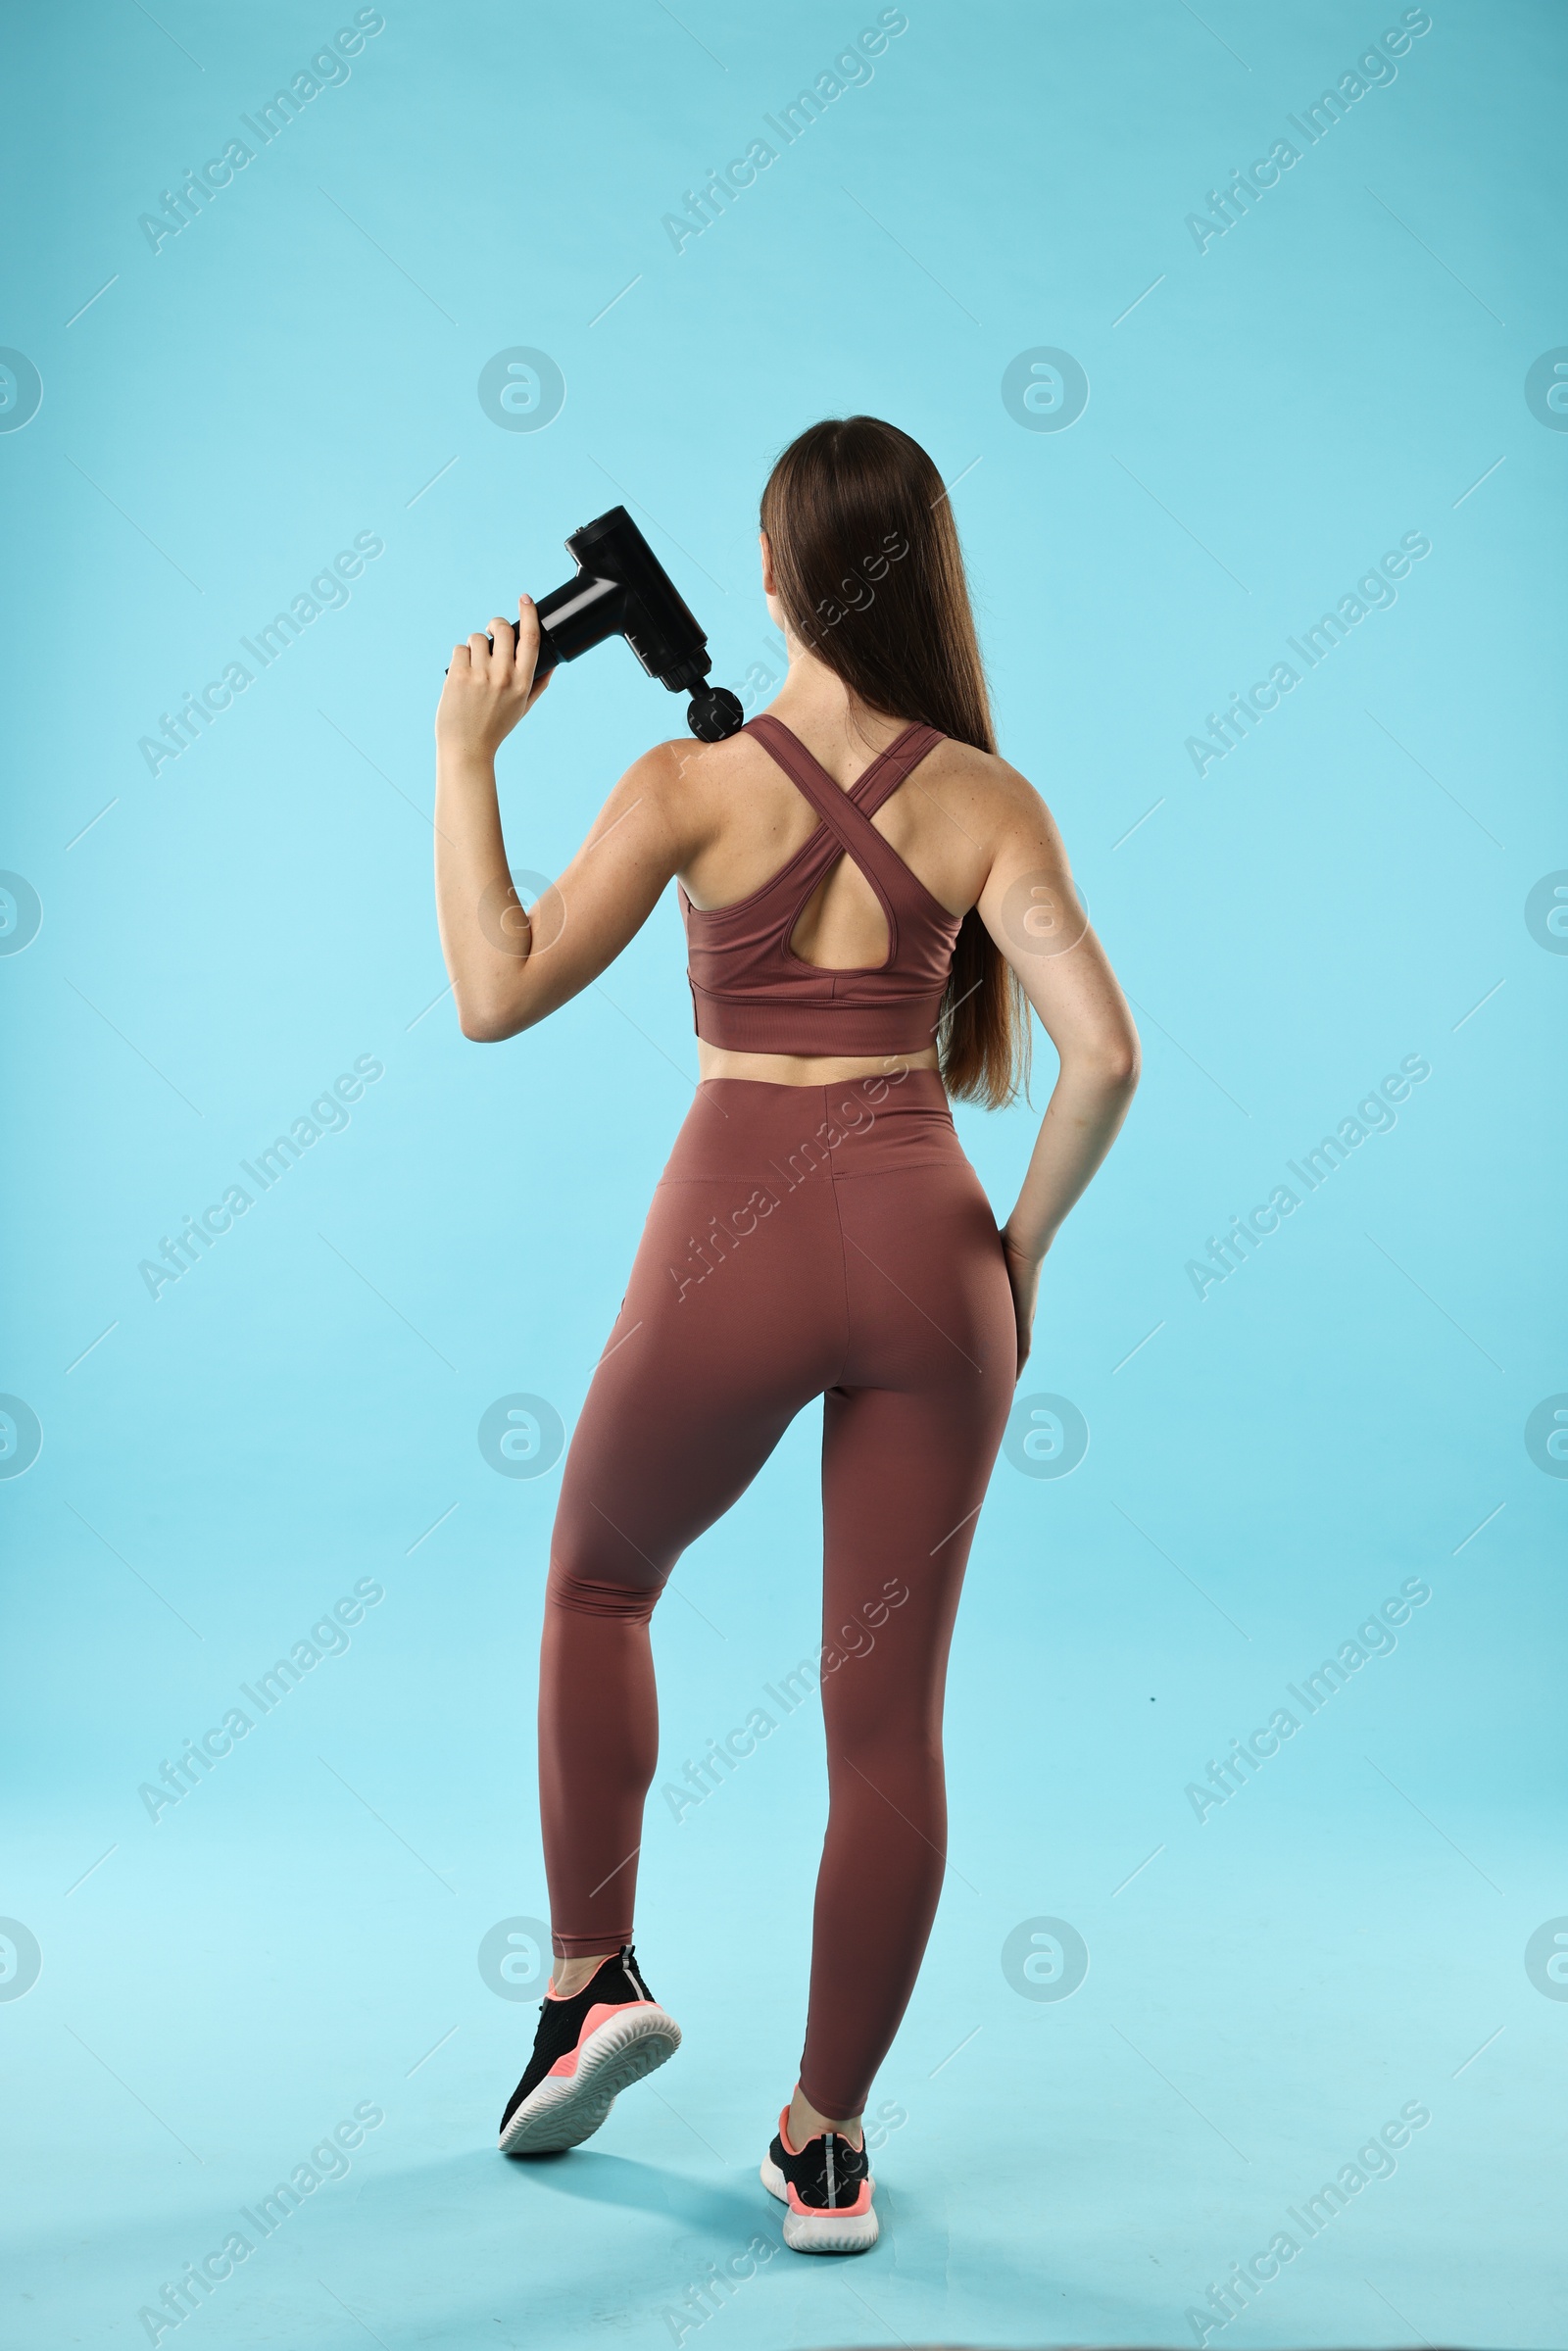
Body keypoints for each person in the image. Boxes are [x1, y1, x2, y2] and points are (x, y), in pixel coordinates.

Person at [433, 416, 1139, 2255]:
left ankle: (592, 1982)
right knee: (885, 1726)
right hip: (934, 1254)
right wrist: (1026, 1252)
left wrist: (462, 751)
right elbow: (1108, 1058)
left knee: (599, 1581)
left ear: (773, 576)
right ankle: (825, 2146)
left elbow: (492, 991)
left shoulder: (693, 790)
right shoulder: (991, 801)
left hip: (732, 1232)